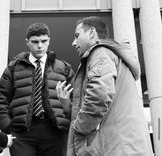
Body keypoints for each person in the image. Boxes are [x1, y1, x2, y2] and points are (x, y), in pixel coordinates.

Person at [63, 16, 153, 156]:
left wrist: (79, 128)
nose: (73, 43)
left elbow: (99, 96)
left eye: (77, 35)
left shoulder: (100, 54)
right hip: (127, 146)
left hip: (116, 147)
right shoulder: (113, 57)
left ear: (92, 32)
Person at [0, 23, 75, 156]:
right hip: (22, 133)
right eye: (35, 42)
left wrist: (67, 123)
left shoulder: (64, 68)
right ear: (27, 42)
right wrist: (8, 127)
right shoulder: (14, 67)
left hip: (55, 132)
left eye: (44, 41)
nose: (40, 46)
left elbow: (76, 98)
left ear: (49, 41)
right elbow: (0, 99)